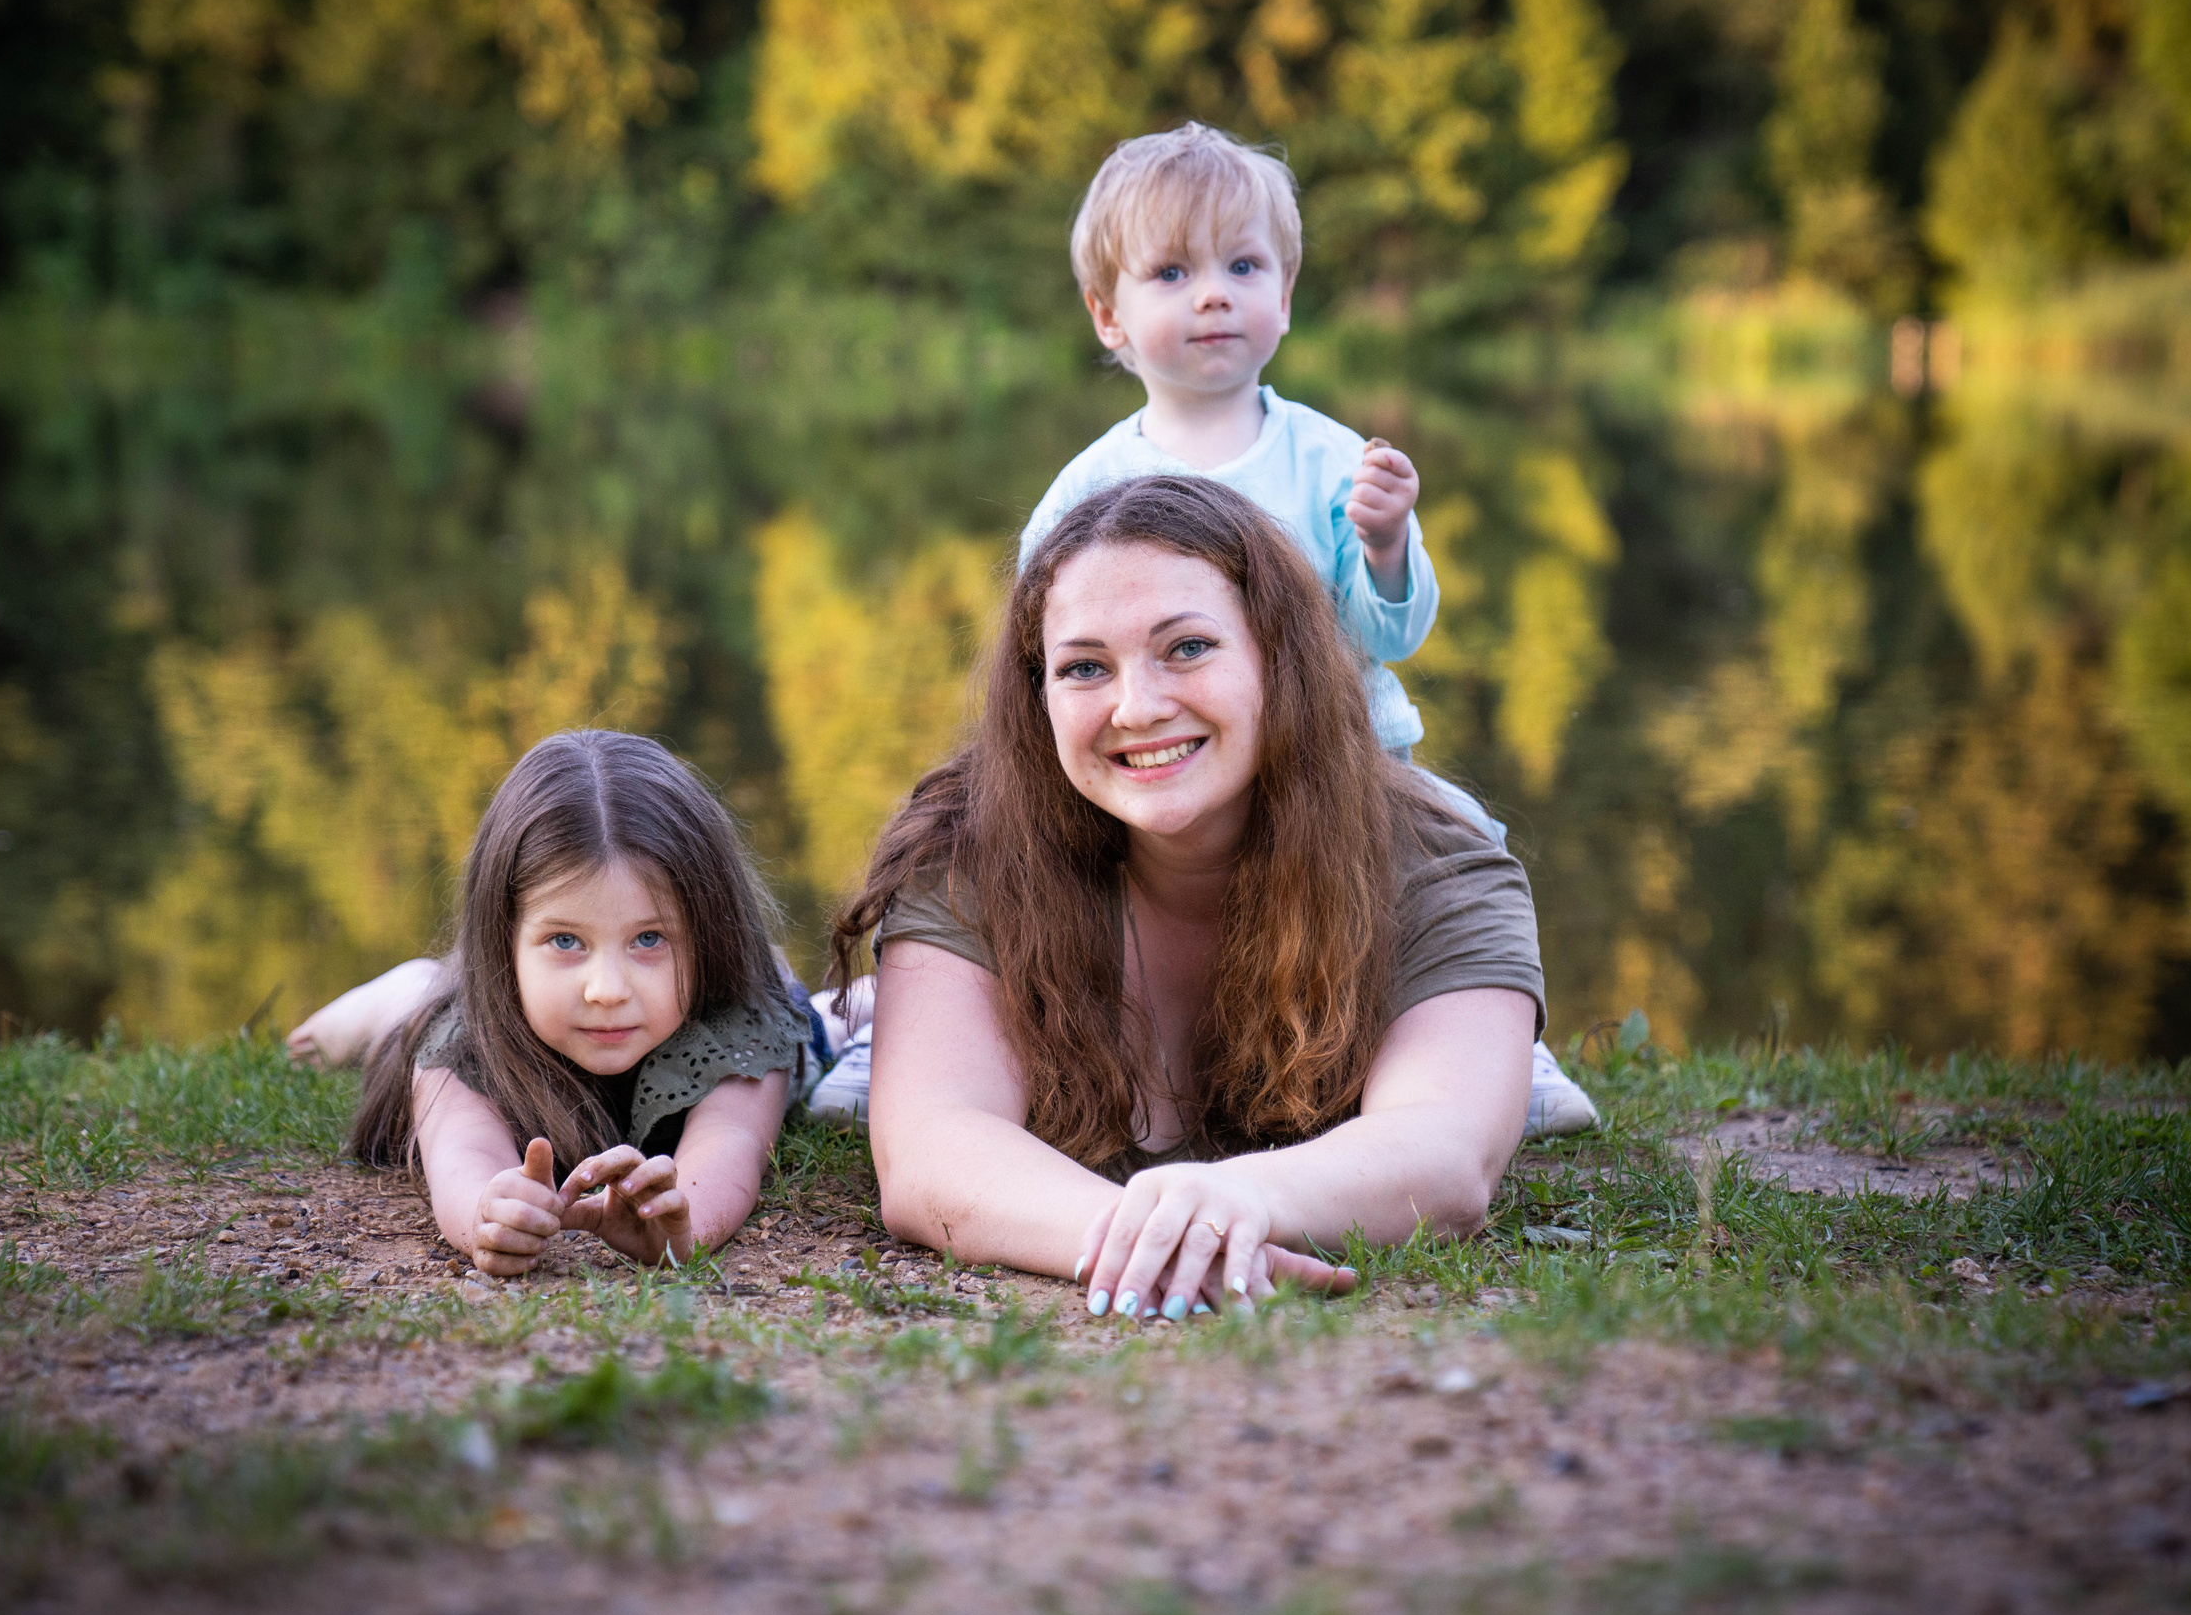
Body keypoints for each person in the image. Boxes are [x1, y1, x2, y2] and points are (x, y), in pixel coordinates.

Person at [813, 121, 1596, 1139]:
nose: (1213, 293)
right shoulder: (1089, 485)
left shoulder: (1326, 459)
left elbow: (1387, 633)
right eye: (1173, 271)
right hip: (1150, 775)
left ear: (1285, 294)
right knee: (983, 857)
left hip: (1336, 764)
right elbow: (1045, 654)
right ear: (1108, 316)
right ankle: (899, 1035)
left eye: (1242, 265)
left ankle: (1495, 1043)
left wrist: (1389, 545)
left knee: (1458, 847)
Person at [831, 476, 1547, 1319]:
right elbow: (930, 1153)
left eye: (1188, 648)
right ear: (1040, 696)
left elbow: (1447, 1152)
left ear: (1278, 659)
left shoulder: (1438, 861)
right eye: (1085, 667)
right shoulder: (967, 850)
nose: (1138, 707)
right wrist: (1167, 1236)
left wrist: (1247, 1198)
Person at [298, 731, 812, 1277]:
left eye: (649, 939)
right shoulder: (462, 1037)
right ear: (504, 940)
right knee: (416, 1007)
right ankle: (401, 990)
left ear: (708, 934)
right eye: (566, 941)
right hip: (453, 1000)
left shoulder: (741, 1021)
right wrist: (486, 1215)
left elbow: (731, 1139)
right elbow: (462, 1151)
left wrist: (684, 1223)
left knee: (807, 998)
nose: (607, 990)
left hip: (763, 987)